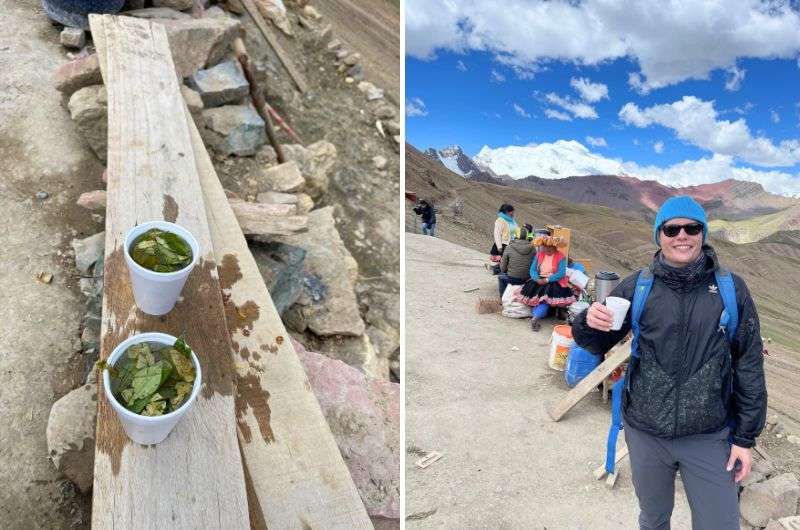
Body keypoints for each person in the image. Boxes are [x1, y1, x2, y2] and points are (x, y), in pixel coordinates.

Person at [572, 196, 766, 530]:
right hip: (646, 433)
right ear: (658, 235)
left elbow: (748, 365)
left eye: (692, 228)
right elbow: (596, 342)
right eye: (671, 228)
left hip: (709, 435)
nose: (682, 235)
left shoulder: (731, 289)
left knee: (719, 524)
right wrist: (588, 321)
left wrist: (744, 439)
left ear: (702, 234)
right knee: (653, 519)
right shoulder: (638, 286)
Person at [518, 235, 576, 331]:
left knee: (544, 300)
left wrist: (547, 280)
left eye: (551, 247)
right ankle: (537, 316)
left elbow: (561, 273)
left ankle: (536, 318)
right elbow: (532, 269)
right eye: (546, 246)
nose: (548, 249)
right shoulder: (539, 254)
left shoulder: (561, 256)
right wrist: (536, 278)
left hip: (553, 281)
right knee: (539, 300)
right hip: (538, 280)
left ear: (555, 247)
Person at [498, 226, 535, 296]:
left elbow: (502, 268)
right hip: (527, 278)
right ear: (527, 236)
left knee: (501, 277)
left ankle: (503, 298)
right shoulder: (533, 248)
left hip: (512, 278)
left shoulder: (509, 247)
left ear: (515, 236)